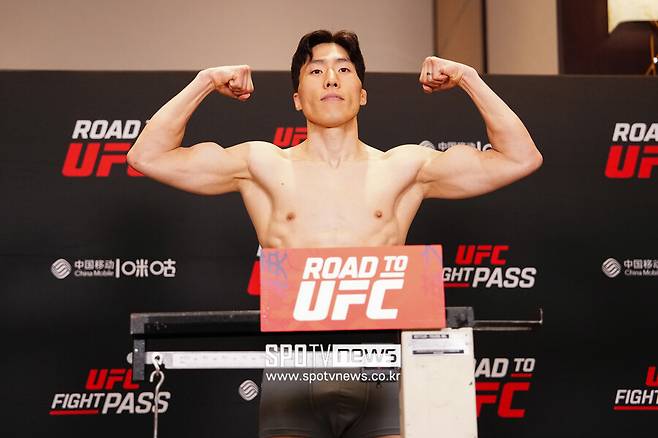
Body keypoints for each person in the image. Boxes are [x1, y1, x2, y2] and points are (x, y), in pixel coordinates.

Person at [127, 29, 542, 438]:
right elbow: (148, 156)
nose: (330, 79)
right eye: (316, 71)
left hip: (381, 369)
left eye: (343, 69)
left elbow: (520, 158)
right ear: (296, 98)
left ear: (362, 94)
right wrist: (205, 82)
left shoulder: (405, 168)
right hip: (292, 371)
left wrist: (467, 77)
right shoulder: (261, 165)